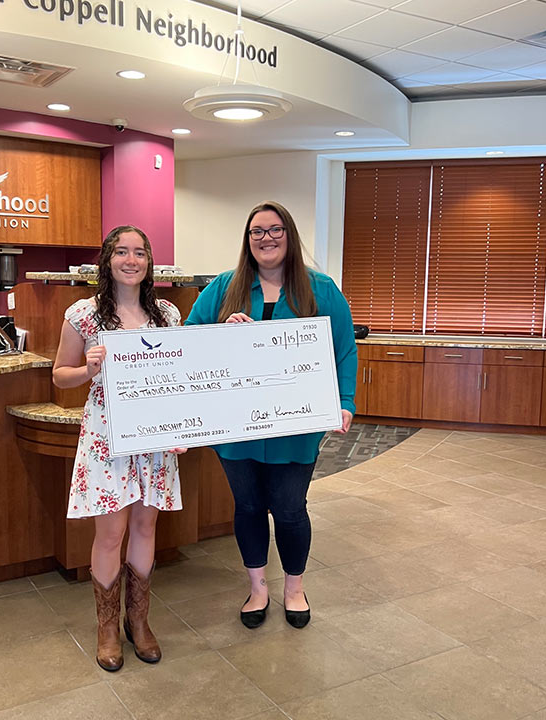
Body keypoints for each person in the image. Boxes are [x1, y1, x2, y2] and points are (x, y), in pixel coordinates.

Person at [185, 201, 357, 629]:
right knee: (247, 506)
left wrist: (346, 401)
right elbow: (189, 342)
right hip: (235, 429)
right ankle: (257, 586)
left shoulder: (320, 289)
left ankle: (294, 588)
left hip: (294, 427)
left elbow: (344, 349)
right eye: (257, 231)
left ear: (289, 235)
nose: (266, 238)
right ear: (248, 240)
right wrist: (222, 333)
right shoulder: (224, 288)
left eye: (275, 229)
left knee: (290, 508)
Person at [53, 225, 186, 672]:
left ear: (150, 262)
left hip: (155, 437)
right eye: (122, 252)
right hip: (107, 437)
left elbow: (180, 376)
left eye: (140, 253)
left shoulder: (167, 314)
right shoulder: (84, 315)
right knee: (110, 533)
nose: (132, 260)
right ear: (106, 260)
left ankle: (139, 621)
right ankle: (107, 627)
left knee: (146, 529)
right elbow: (59, 375)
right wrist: (86, 368)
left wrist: (182, 427)